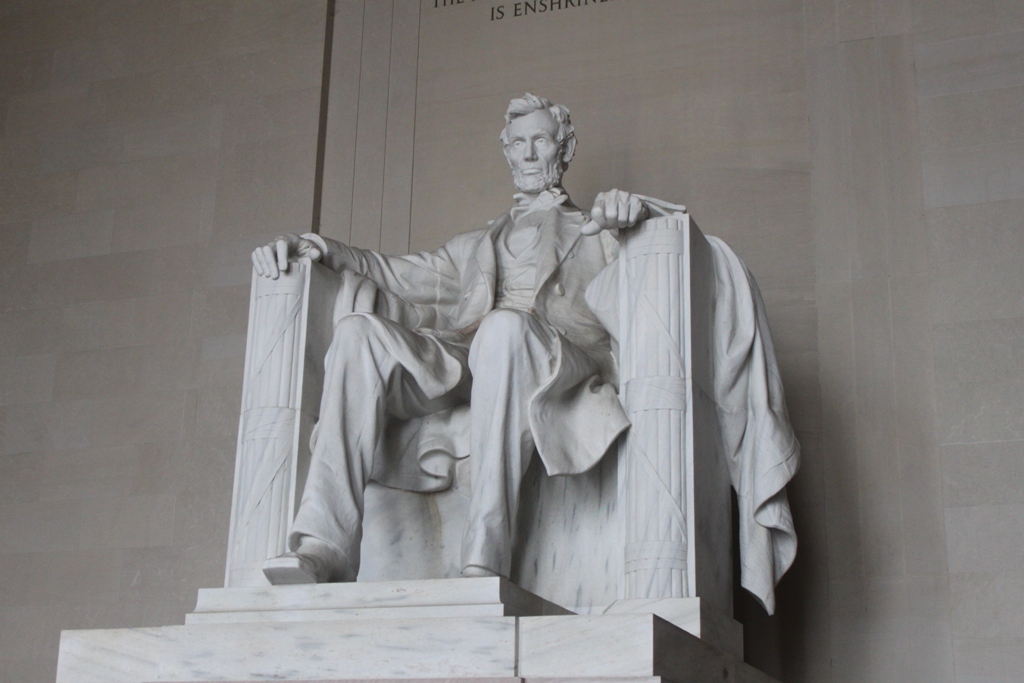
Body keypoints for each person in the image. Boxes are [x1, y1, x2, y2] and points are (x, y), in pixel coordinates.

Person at [251, 93, 648, 584]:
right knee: (358, 334)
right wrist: (312, 246)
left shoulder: (598, 229)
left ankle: (485, 553)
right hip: (472, 355)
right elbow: (391, 272)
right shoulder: (474, 245)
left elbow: (652, 261)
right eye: (518, 143)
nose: (527, 155)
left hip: (556, 360)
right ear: (506, 152)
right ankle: (325, 545)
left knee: (505, 329)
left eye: (540, 141)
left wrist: (635, 217)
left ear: (563, 150)